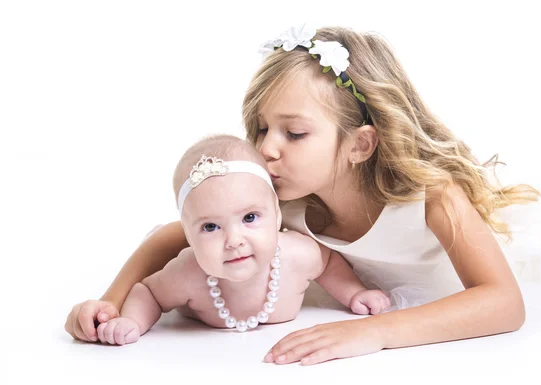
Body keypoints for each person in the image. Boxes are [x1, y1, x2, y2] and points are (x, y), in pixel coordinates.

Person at [66, 24, 541, 364]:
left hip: (448, 311)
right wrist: (109, 302)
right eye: (260, 129)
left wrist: (373, 334)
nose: (266, 149)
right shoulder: (283, 205)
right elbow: (170, 238)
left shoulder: (430, 196)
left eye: (294, 134)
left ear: (359, 143)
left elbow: (505, 303)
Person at [92, 134, 391, 344]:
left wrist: (354, 293)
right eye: (210, 227)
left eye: (249, 218)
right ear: (188, 235)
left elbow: (327, 263)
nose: (233, 240)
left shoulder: (297, 255)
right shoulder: (187, 274)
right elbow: (149, 292)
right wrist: (132, 321)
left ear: (276, 214)